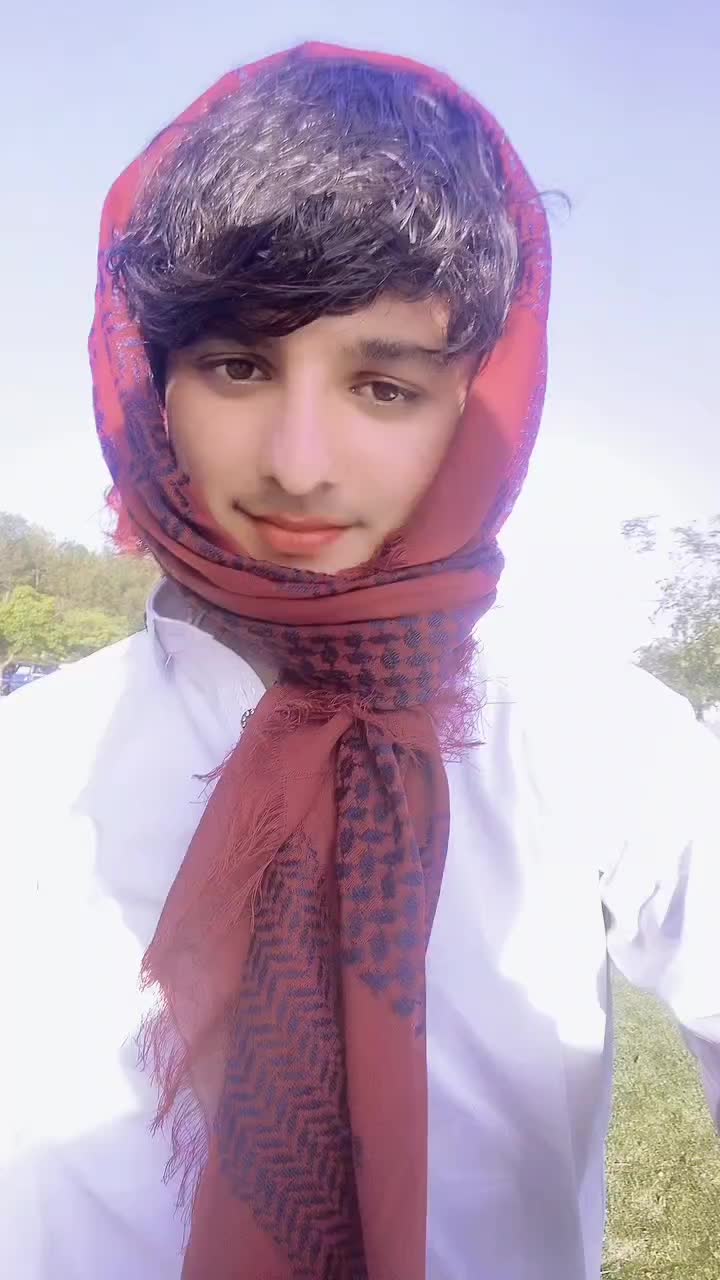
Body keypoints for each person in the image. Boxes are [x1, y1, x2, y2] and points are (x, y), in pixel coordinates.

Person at [0, 41, 718, 1280]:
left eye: (384, 385)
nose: (300, 460)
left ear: (476, 401)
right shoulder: (31, 765)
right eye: (237, 365)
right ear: (150, 380)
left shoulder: (591, 736)